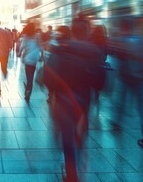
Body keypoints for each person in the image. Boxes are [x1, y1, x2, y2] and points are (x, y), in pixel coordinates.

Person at [44, 19, 101, 182]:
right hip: (84, 101)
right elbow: (100, 81)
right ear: (86, 32)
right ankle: (79, 164)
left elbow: (48, 76)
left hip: (64, 99)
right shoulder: (94, 51)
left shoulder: (61, 48)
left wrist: (54, 91)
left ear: (72, 31)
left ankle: (71, 173)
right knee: (79, 133)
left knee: (67, 136)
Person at [112, 18, 143, 150]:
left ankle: (117, 124)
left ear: (122, 28)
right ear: (133, 27)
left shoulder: (121, 42)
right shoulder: (142, 41)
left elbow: (117, 61)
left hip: (126, 79)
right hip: (141, 79)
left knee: (121, 103)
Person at [17, 22, 42, 101]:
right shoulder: (37, 35)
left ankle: (27, 90)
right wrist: (42, 56)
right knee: (31, 76)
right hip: (34, 59)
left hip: (27, 59)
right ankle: (28, 91)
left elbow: (22, 46)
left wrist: (19, 53)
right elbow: (40, 46)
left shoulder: (26, 36)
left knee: (29, 77)